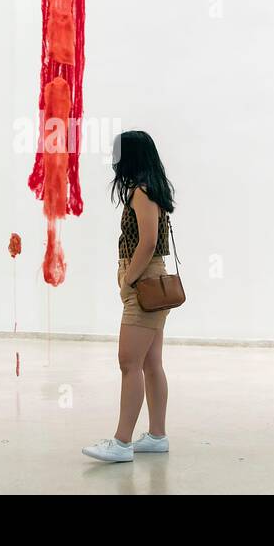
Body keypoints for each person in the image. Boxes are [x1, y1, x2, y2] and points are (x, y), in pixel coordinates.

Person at [82, 131, 176, 463]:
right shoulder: (153, 190)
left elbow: (147, 243)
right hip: (154, 278)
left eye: (117, 152)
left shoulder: (141, 192)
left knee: (128, 363)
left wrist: (128, 281)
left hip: (145, 281)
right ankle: (156, 435)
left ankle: (121, 443)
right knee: (150, 363)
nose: (113, 158)